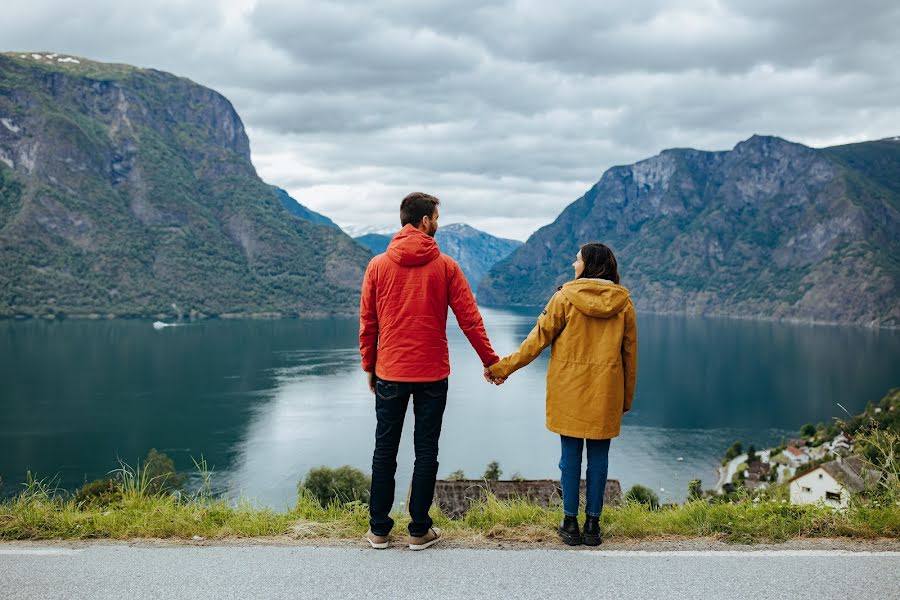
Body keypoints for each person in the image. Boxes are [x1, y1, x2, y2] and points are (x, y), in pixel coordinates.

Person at [359, 192, 500, 551]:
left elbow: (368, 323)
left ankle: (378, 530)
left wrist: (369, 366)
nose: (438, 223)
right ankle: (419, 530)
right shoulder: (446, 266)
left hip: (390, 370)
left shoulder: (377, 265)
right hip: (432, 375)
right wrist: (490, 361)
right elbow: (470, 319)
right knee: (426, 451)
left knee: (383, 451)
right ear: (424, 221)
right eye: (436, 217)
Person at [487, 243, 637, 546]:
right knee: (599, 459)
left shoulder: (564, 298)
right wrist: (625, 399)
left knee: (569, 459)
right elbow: (630, 357)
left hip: (569, 391)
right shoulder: (623, 304)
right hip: (606, 392)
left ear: (589, 265)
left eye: (577, 259)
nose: (573, 264)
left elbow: (535, 342)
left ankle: (570, 524)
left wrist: (503, 368)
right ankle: (593, 526)